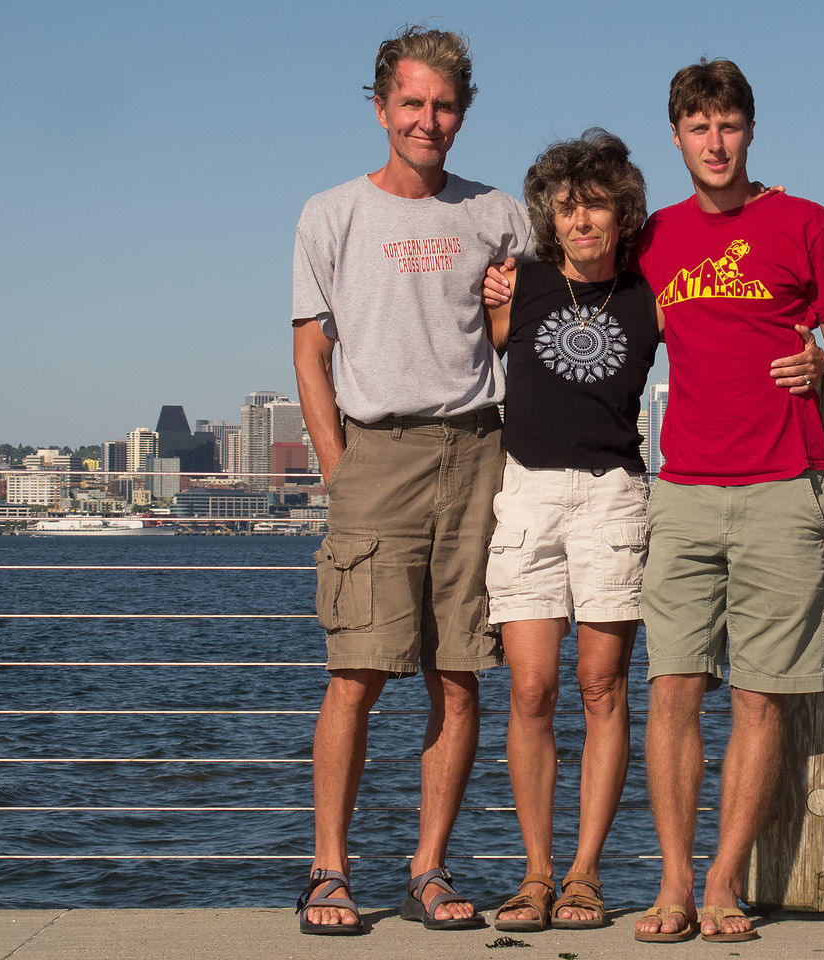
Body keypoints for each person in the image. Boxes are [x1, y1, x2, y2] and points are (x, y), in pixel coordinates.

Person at [481, 130, 824, 932]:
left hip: (615, 496)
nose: (582, 221)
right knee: (531, 688)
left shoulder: (650, 293)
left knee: (603, 688)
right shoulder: (516, 288)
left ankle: (585, 876)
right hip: (526, 495)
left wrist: (810, 359)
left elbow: (733, 334)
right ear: (549, 217)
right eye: (567, 208)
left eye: (596, 204)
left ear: (621, 211)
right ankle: (535, 873)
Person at [290, 25, 531, 935]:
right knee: (355, 671)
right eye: (413, 103)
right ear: (382, 105)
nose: (428, 120)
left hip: (478, 453)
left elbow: (515, 341)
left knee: (460, 672)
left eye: (444, 105)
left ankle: (429, 869)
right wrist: (337, 466)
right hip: (374, 458)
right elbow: (312, 352)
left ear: (463, 112)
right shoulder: (331, 213)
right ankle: (327, 871)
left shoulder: (498, 213)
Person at [630, 58, 824, 944]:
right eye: (699, 128)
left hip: (784, 491)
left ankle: (725, 884)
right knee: (673, 693)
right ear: (677, 137)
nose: (715, 142)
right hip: (684, 493)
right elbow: (588, 307)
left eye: (728, 125)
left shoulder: (806, 223)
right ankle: (672, 883)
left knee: (762, 699)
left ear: (751, 130)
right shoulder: (653, 238)